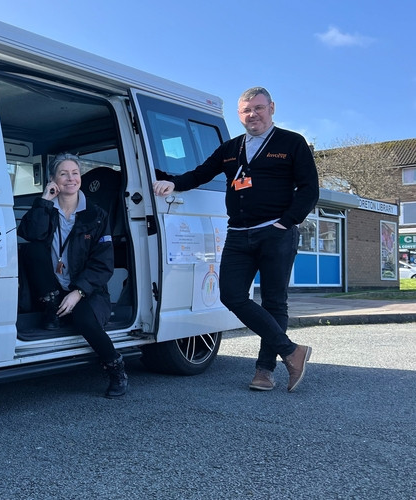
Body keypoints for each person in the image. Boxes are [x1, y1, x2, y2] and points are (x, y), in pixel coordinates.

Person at [152, 87, 319, 392]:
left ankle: (265, 371)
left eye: (258, 108)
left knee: (273, 301)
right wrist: (168, 181)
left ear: (272, 108)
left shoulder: (291, 143)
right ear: (239, 114)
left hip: (276, 234)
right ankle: (292, 351)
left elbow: (309, 189)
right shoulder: (230, 148)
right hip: (239, 234)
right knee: (230, 294)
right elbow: (199, 174)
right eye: (246, 110)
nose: (252, 115)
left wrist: (286, 222)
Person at [17, 153, 127, 398]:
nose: (70, 178)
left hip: (86, 290)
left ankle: (116, 368)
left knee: (85, 320)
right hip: (52, 288)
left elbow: (103, 264)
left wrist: (78, 292)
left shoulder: (96, 215)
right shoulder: (46, 209)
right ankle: (51, 308)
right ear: (53, 179)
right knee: (33, 249)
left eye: (75, 173)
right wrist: (44, 201)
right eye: (63, 173)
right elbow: (29, 233)